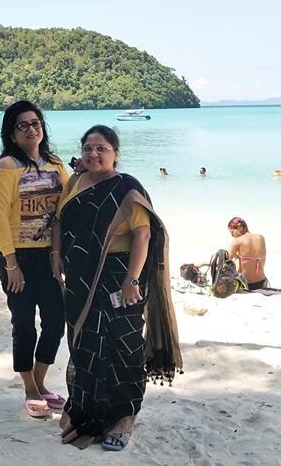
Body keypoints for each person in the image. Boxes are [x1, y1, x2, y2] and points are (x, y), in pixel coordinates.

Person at [53, 125, 181, 451]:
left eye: (102, 148)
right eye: (88, 148)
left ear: (116, 154)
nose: (93, 154)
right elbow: (59, 220)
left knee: (123, 345)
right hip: (80, 280)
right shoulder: (75, 182)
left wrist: (132, 279)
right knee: (84, 342)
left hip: (118, 277)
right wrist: (56, 254)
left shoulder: (127, 189)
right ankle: (86, 411)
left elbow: (143, 235)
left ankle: (124, 418)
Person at [0, 100, 69, 419]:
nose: (31, 129)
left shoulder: (55, 164)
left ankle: (39, 382)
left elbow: (66, 206)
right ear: (12, 133)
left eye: (35, 123)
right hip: (17, 255)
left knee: (55, 322)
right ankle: (30, 389)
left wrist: (57, 254)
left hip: (49, 254)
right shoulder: (8, 165)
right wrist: (11, 264)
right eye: (22, 125)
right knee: (24, 324)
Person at [226, 217, 269, 289]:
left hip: (247, 284)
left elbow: (224, 261)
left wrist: (206, 263)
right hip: (262, 282)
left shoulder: (237, 241)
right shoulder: (261, 237)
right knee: (241, 258)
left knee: (234, 261)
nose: (232, 235)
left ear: (240, 227)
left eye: (232, 232)